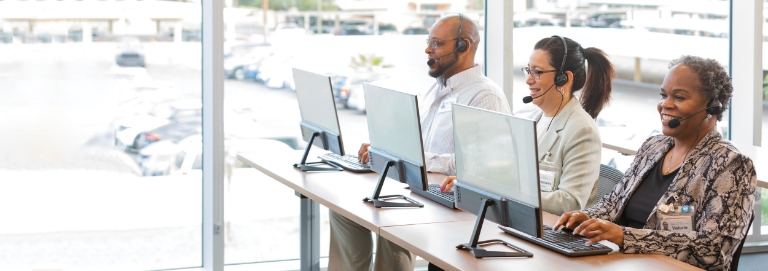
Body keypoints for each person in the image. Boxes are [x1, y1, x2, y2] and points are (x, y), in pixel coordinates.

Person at [328, 14, 511, 271]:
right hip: (420, 190)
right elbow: (420, 143)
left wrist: (417, 158)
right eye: (429, 42)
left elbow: (489, 167)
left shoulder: (484, 96)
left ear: (464, 46)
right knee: (343, 210)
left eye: (436, 43)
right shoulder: (438, 88)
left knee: (391, 224)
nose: (427, 49)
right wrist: (386, 148)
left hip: (450, 208)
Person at [553, 55, 756, 271]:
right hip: (624, 264)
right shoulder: (653, 147)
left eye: (679, 97)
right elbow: (612, 204)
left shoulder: (730, 164)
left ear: (713, 107)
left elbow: (714, 250)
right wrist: (586, 219)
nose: (664, 105)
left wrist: (625, 236)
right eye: (663, 95)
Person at [439, 35, 614, 216]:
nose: (528, 80)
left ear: (564, 78)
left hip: (554, 232)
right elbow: (510, 174)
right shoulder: (533, 119)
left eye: (537, 72)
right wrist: (473, 182)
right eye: (528, 71)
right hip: (521, 222)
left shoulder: (581, 131)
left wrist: (501, 192)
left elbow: (569, 203)